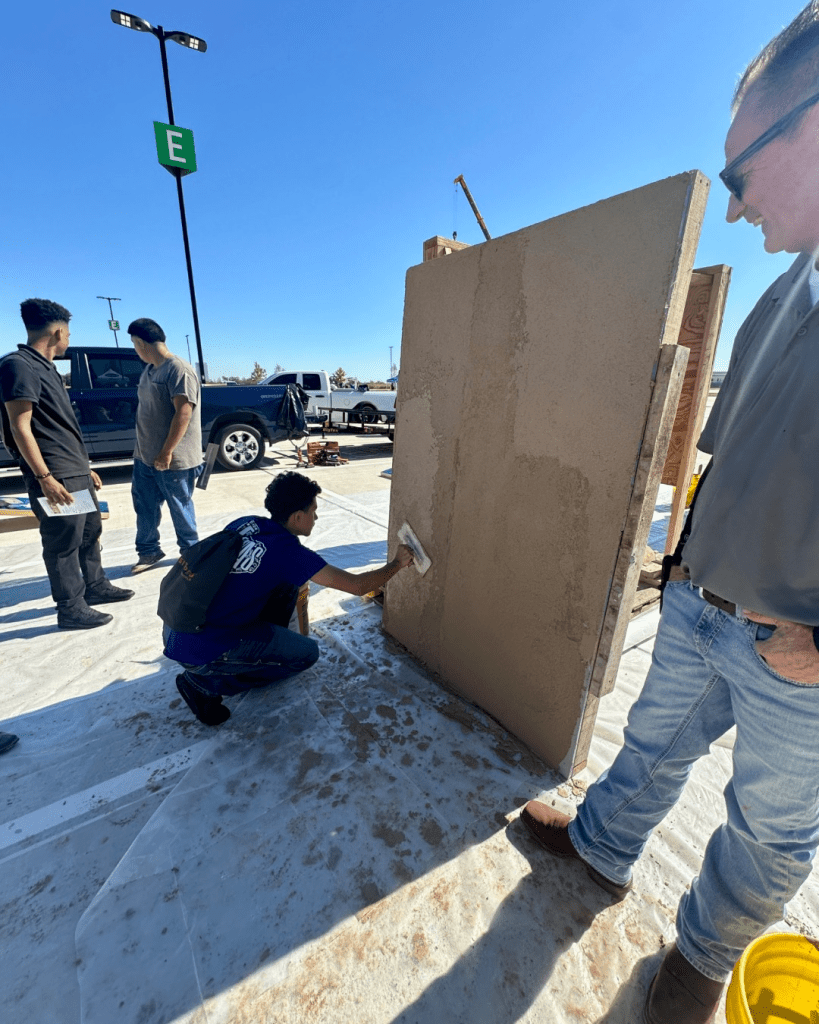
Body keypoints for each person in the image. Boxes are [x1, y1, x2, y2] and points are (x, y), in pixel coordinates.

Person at [522, 7, 819, 1022]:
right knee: (649, 746)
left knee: (768, 829)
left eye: (738, 175)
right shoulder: (788, 294)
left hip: (802, 649)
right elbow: (732, 456)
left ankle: (702, 956)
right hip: (702, 605)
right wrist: (680, 561)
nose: (733, 208)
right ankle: (602, 845)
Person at [164, 471, 414, 725]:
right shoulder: (289, 553)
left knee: (287, 586)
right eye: (313, 511)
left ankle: (235, 652)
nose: (316, 517)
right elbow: (358, 586)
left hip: (179, 625)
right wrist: (397, 563)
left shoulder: (247, 523)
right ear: (297, 517)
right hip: (201, 648)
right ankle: (204, 684)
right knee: (305, 654)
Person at [0, 299, 133, 629]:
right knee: (63, 541)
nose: (69, 340)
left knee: (89, 531)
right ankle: (71, 607)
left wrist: (85, 467)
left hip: (75, 471)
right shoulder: (18, 366)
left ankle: (95, 586)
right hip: (55, 475)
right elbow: (19, 426)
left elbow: (59, 426)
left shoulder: (47, 369)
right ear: (58, 331)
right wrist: (44, 477)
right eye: (69, 334)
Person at [128, 317, 203, 574]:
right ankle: (149, 551)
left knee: (180, 507)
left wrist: (166, 451)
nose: (135, 350)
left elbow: (183, 413)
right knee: (145, 506)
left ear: (141, 343)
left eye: (134, 345)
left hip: (172, 459)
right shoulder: (150, 370)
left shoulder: (178, 370)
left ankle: (191, 554)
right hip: (145, 457)